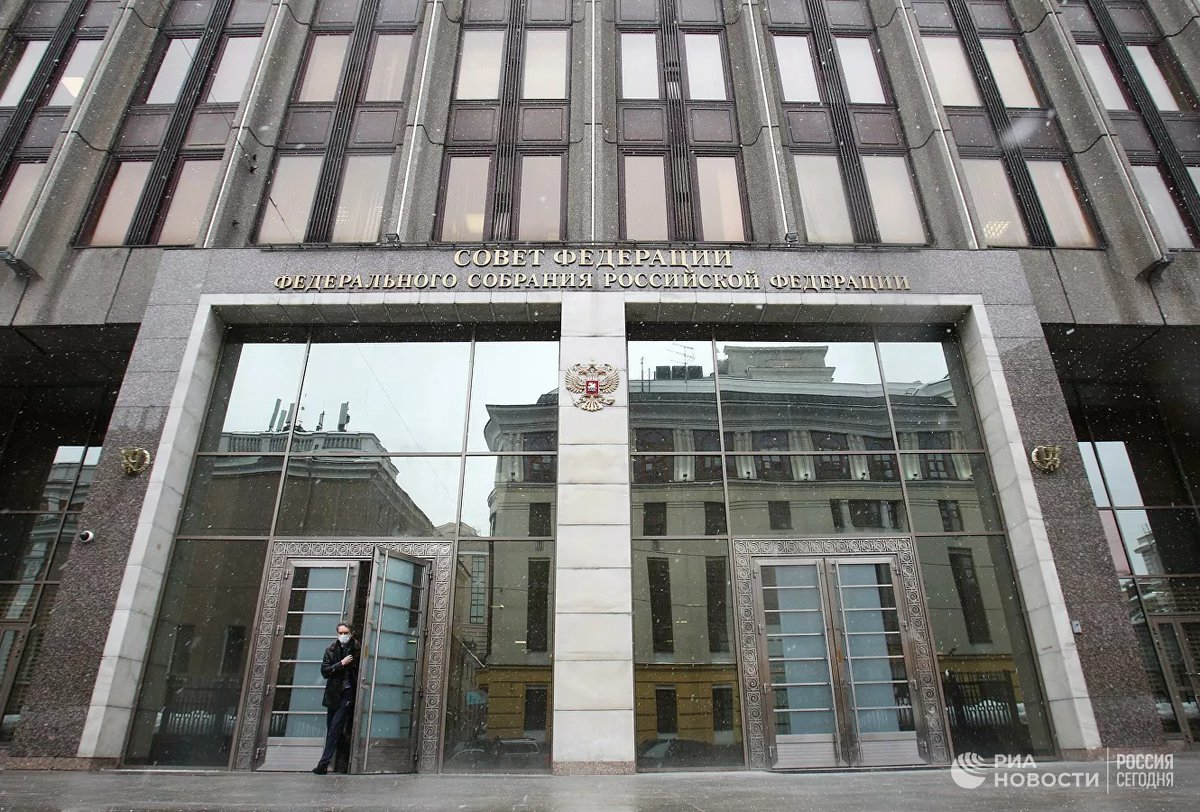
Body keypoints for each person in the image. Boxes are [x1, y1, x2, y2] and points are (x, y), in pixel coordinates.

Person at [313, 621, 360, 774]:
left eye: (346, 633)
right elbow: (325, 671)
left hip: (348, 693)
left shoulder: (357, 649)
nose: (343, 635)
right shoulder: (331, 650)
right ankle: (347, 754)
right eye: (341, 633)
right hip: (333, 693)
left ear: (351, 633)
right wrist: (341, 663)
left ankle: (323, 764)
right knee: (334, 730)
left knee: (335, 727)